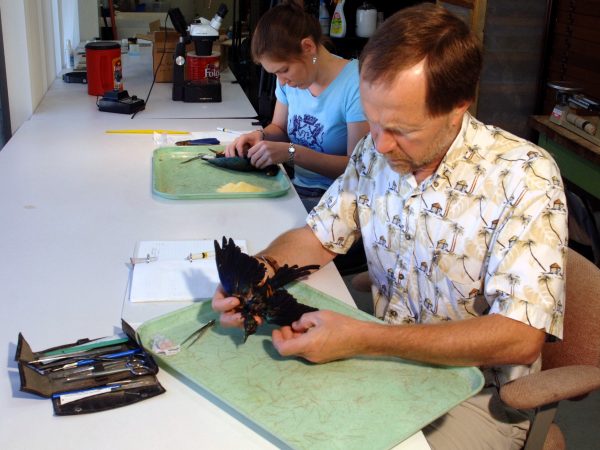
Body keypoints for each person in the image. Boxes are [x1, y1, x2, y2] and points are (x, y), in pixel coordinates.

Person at [213, 3, 568, 449]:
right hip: (383, 361)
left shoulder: (523, 175)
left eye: (400, 129)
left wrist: (367, 338)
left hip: (478, 395)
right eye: (373, 121)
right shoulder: (375, 154)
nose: (379, 144)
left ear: (458, 106)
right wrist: (258, 268)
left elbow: (519, 338)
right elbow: (317, 235)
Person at [224, 2, 370, 212]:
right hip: (295, 189)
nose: (281, 82)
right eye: (275, 74)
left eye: (284, 70)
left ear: (308, 48)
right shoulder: (290, 81)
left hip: (338, 202)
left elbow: (357, 168)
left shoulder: (356, 84)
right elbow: (280, 129)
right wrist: (260, 136)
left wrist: (291, 153)